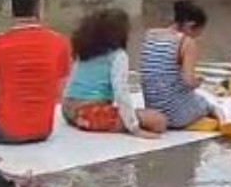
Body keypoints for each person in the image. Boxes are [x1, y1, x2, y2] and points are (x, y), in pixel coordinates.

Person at [0, 0, 71, 145]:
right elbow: (61, 84)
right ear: (39, 10)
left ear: (12, 11)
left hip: (6, 132)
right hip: (43, 130)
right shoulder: (60, 42)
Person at [62, 8, 166, 138]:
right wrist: (134, 128)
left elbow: (70, 83)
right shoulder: (118, 56)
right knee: (159, 120)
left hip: (67, 111)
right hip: (88, 114)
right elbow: (121, 92)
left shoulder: (86, 52)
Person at [140, 0, 220, 130]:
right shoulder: (186, 42)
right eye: (197, 33)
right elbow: (188, 81)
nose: (196, 37)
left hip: (152, 108)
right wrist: (198, 81)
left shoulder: (150, 34)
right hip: (175, 115)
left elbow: (157, 71)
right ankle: (223, 123)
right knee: (209, 105)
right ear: (191, 25)